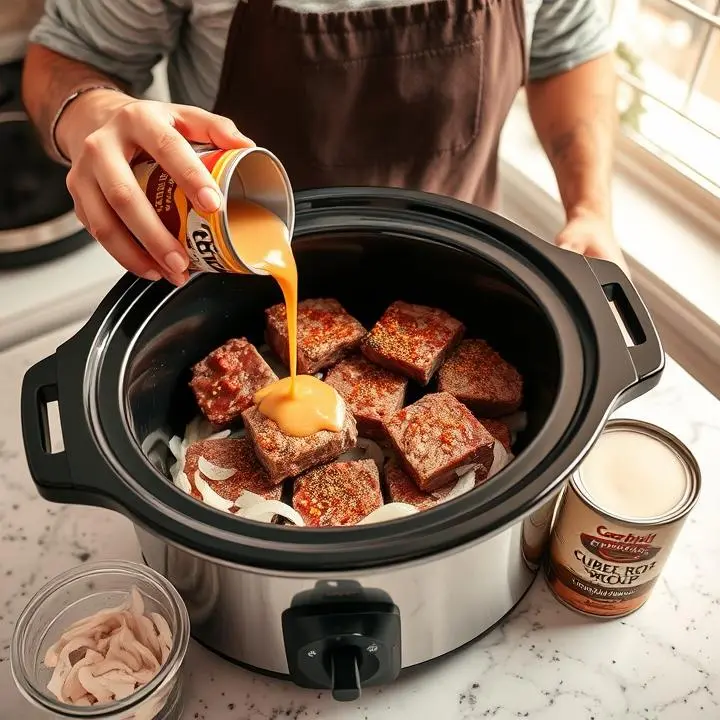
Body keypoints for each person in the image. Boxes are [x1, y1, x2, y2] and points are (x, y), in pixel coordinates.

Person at [22, 0, 625, 286]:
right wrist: (94, 113)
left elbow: (569, 50)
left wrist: (590, 209)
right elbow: (70, 54)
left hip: (460, 265)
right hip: (224, 268)